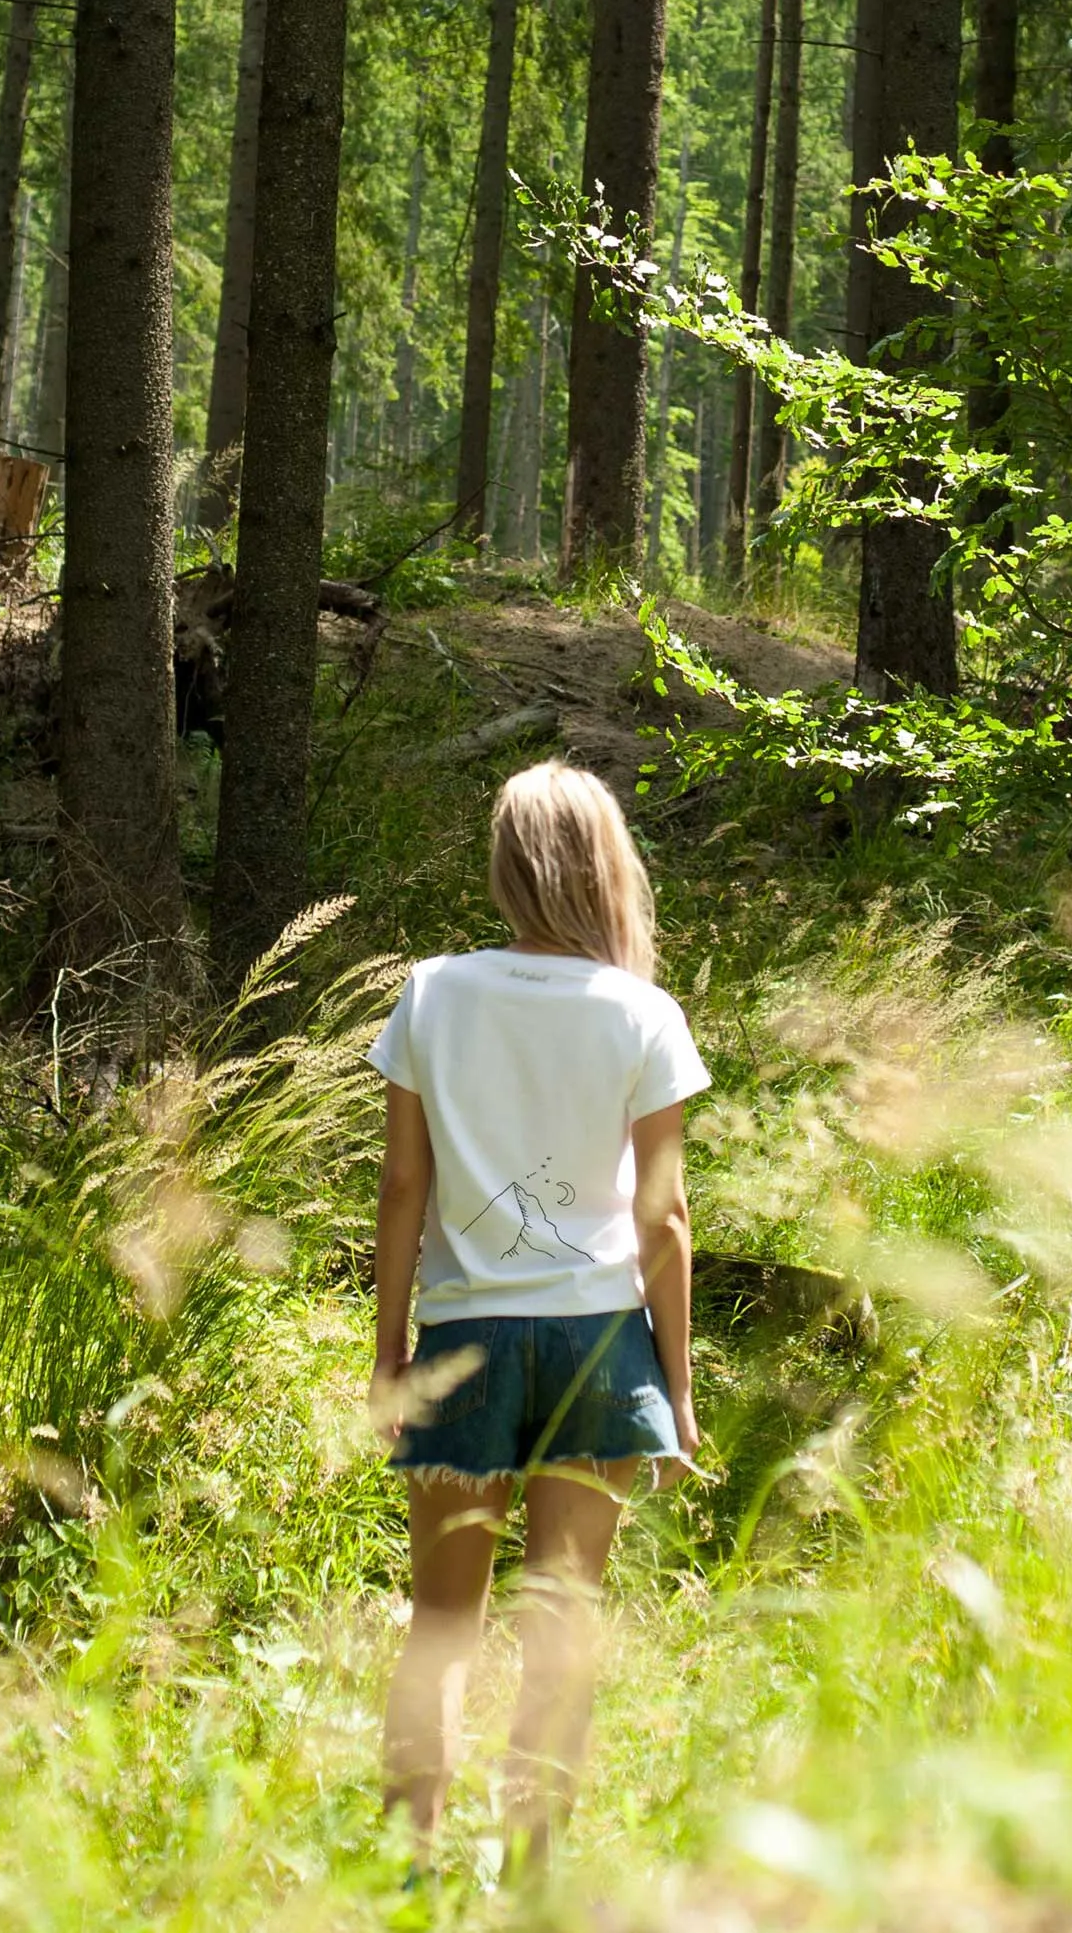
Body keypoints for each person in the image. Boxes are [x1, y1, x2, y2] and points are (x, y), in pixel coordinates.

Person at [366, 758, 710, 1872]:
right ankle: (533, 1870)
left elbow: (403, 1188)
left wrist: (389, 1356)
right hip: (600, 1344)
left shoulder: (431, 991)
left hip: (464, 1343)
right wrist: (681, 1386)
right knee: (564, 1620)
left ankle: (408, 1869)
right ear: (606, 866)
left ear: (506, 863)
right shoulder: (641, 1011)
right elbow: (664, 1221)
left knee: (442, 1624)